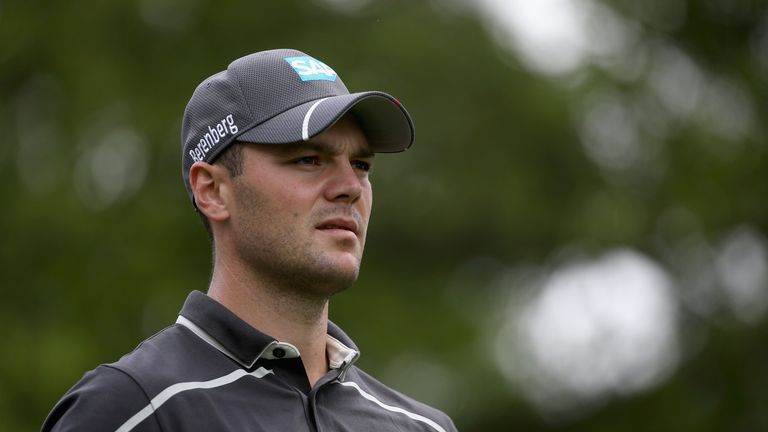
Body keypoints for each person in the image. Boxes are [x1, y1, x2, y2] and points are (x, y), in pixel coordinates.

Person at [42, 49, 457, 432]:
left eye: (361, 164)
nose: (350, 186)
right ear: (212, 191)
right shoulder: (131, 409)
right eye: (309, 159)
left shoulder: (422, 427)